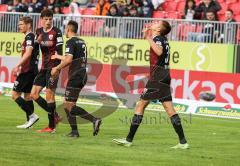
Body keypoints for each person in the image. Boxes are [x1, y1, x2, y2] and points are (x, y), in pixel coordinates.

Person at [113, 21, 189, 149]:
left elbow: (158, 52)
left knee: (140, 104)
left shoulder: (158, 38)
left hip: (157, 77)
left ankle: (128, 140)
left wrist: (148, 37)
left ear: (159, 29)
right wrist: (147, 36)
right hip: (164, 76)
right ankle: (183, 142)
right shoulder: (162, 39)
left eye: (157, 22)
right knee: (169, 109)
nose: (154, 23)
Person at [51, 20, 102, 137]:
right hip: (83, 74)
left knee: (69, 106)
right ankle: (74, 132)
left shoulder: (70, 42)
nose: (65, 31)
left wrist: (57, 68)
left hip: (76, 75)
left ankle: (94, 120)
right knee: (68, 104)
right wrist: (58, 56)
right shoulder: (81, 41)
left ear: (68, 29)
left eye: (65, 29)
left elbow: (69, 60)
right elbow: (71, 57)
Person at [30, 9, 63, 133]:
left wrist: (57, 68)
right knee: (34, 93)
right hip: (43, 67)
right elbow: (35, 47)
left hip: (53, 67)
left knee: (49, 95)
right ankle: (55, 116)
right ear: (41, 19)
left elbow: (59, 51)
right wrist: (35, 42)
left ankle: (51, 127)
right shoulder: (38, 31)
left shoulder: (57, 32)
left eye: (50, 19)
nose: (48, 21)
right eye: (46, 19)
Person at [12, 16, 39, 129]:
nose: (19, 27)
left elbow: (28, 54)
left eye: (21, 24)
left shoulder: (29, 36)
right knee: (27, 96)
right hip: (32, 70)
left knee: (14, 95)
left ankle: (32, 116)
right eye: (19, 24)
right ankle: (29, 122)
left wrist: (17, 66)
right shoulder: (32, 37)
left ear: (28, 25)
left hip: (27, 70)